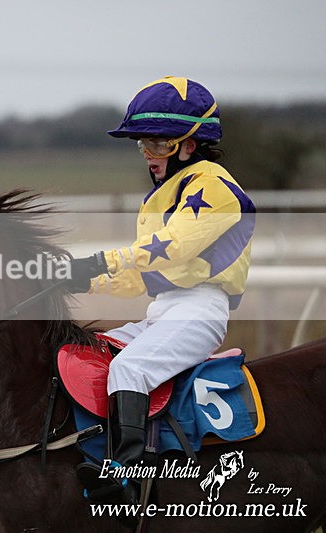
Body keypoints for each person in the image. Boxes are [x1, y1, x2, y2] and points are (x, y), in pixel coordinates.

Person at [68, 76, 255, 504]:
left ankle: (128, 475)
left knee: (129, 371)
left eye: (158, 144)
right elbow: (146, 275)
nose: (149, 155)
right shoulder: (164, 195)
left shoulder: (214, 186)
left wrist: (99, 262)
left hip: (200, 313)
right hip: (165, 310)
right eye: (144, 145)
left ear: (191, 143)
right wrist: (80, 279)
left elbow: (170, 249)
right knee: (89, 350)